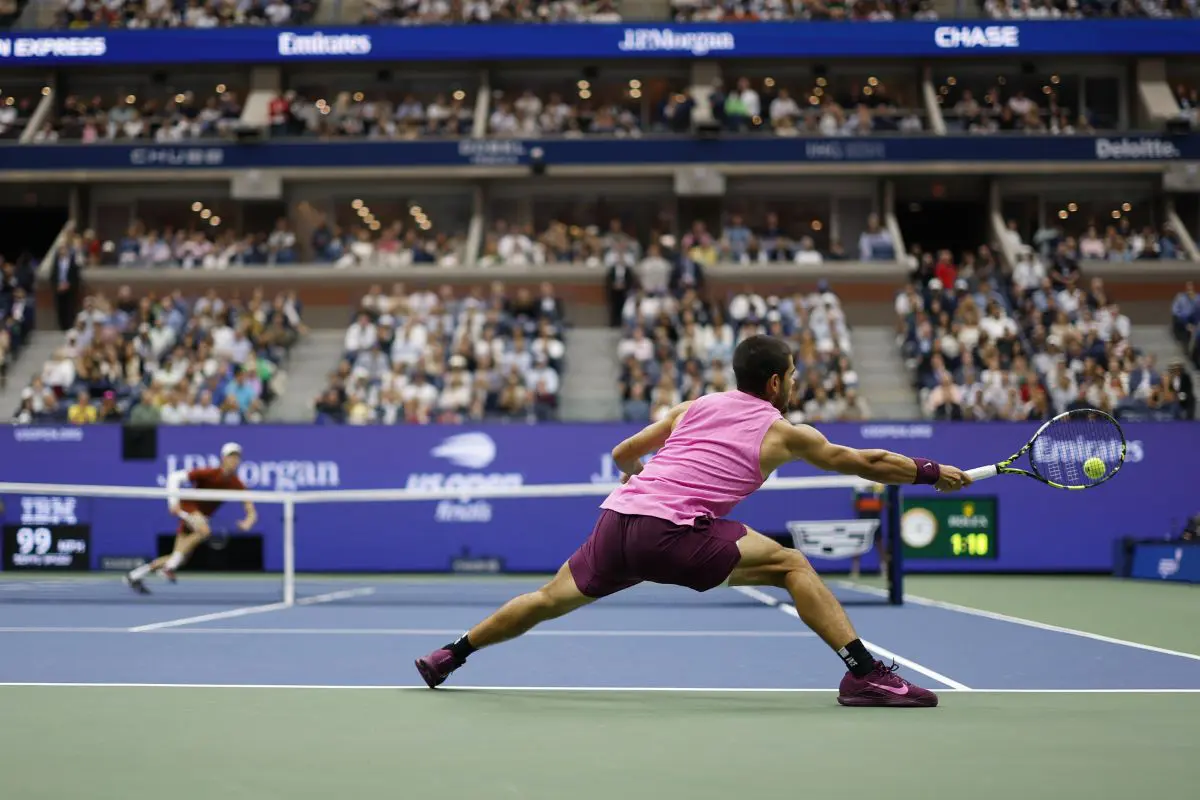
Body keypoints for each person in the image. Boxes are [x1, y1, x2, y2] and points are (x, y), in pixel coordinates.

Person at [415, 335, 970, 707]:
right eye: (793, 376)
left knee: (545, 598)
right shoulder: (784, 432)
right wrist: (931, 471)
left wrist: (644, 482)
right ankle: (865, 675)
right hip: (670, 533)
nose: (795, 383)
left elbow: (623, 452)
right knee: (792, 565)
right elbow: (866, 462)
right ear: (775, 384)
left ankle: (451, 654)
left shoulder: (696, 406)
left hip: (619, 520)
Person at [123, 442, 257, 594]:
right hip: (189, 508)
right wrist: (173, 502)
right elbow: (174, 477)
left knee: (179, 557)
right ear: (223, 458)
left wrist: (248, 521)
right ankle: (169, 567)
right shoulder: (209, 473)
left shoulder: (236, 483)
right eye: (231, 457)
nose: (234, 460)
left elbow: (250, 508)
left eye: (237, 457)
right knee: (204, 531)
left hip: (200, 517)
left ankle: (134, 575)